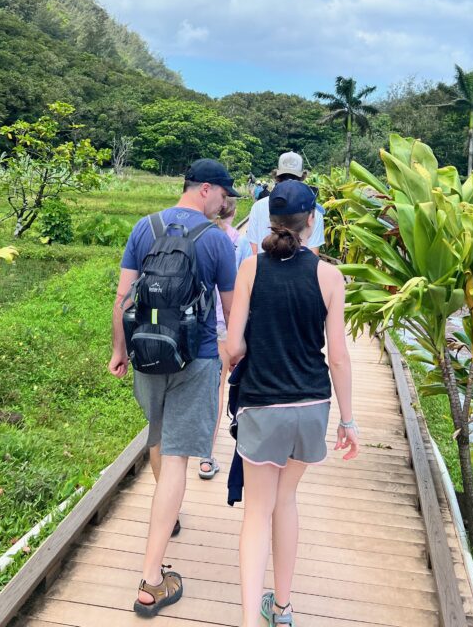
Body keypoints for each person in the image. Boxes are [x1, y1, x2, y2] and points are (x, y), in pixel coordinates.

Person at [109, 158, 239, 617]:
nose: (226, 206)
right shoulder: (217, 241)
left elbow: (123, 299)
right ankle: (150, 581)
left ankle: (170, 514)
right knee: (179, 455)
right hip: (195, 357)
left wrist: (118, 351)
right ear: (206, 189)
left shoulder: (144, 227)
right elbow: (229, 310)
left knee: (159, 439)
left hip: (146, 353)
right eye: (225, 196)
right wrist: (234, 353)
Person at [226, 179, 359, 627]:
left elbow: (234, 345)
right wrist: (349, 421)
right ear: (312, 222)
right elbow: (337, 357)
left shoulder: (250, 269)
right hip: (311, 405)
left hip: (262, 404)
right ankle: (282, 610)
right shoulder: (329, 275)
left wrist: (235, 363)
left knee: (257, 512)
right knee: (287, 501)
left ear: (271, 220)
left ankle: (249, 619)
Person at [198, 195, 250, 481]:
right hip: (223, 324)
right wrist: (237, 338)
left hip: (196, 323)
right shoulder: (238, 243)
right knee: (219, 389)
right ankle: (207, 457)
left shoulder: (202, 235)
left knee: (201, 387)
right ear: (234, 211)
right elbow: (240, 292)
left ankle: (193, 452)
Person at [246, 152, 325, 256]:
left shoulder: (258, 207)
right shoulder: (312, 209)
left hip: (264, 270)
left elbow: (254, 250)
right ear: (302, 177)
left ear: (277, 176)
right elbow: (313, 254)